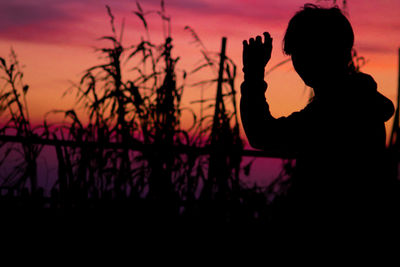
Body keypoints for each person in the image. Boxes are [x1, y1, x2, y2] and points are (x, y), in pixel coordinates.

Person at [240, 4, 397, 227]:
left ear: (325, 53)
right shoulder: (359, 100)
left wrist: (253, 77)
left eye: (301, 52)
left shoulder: (333, 111)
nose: (298, 62)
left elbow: (263, 135)